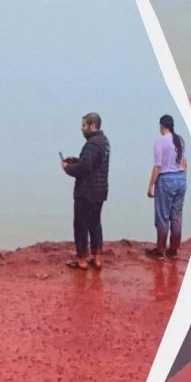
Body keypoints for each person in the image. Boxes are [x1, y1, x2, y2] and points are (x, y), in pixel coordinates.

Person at [62, 112, 110, 270]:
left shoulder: (92, 144)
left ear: (92, 126)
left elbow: (85, 168)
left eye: (84, 125)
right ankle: (97, 257)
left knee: (81, 224)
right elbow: (92, 164)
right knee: (95, 223)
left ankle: (82, 259)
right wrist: (75, 161)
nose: (81, 129)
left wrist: (68, 168)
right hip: (100, 191)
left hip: (86, 192)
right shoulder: (104, 142)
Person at [146, 114, 188, 259]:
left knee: (163, 216)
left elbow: (157, 166)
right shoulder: (179, 141)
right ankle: (174, 249)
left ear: (162, 126)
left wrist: (150, 186)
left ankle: (161, 249)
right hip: (180, 178)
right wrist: (184, 180)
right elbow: (185, 163)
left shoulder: (160, 142)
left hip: (166, 179)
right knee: (176, 216)